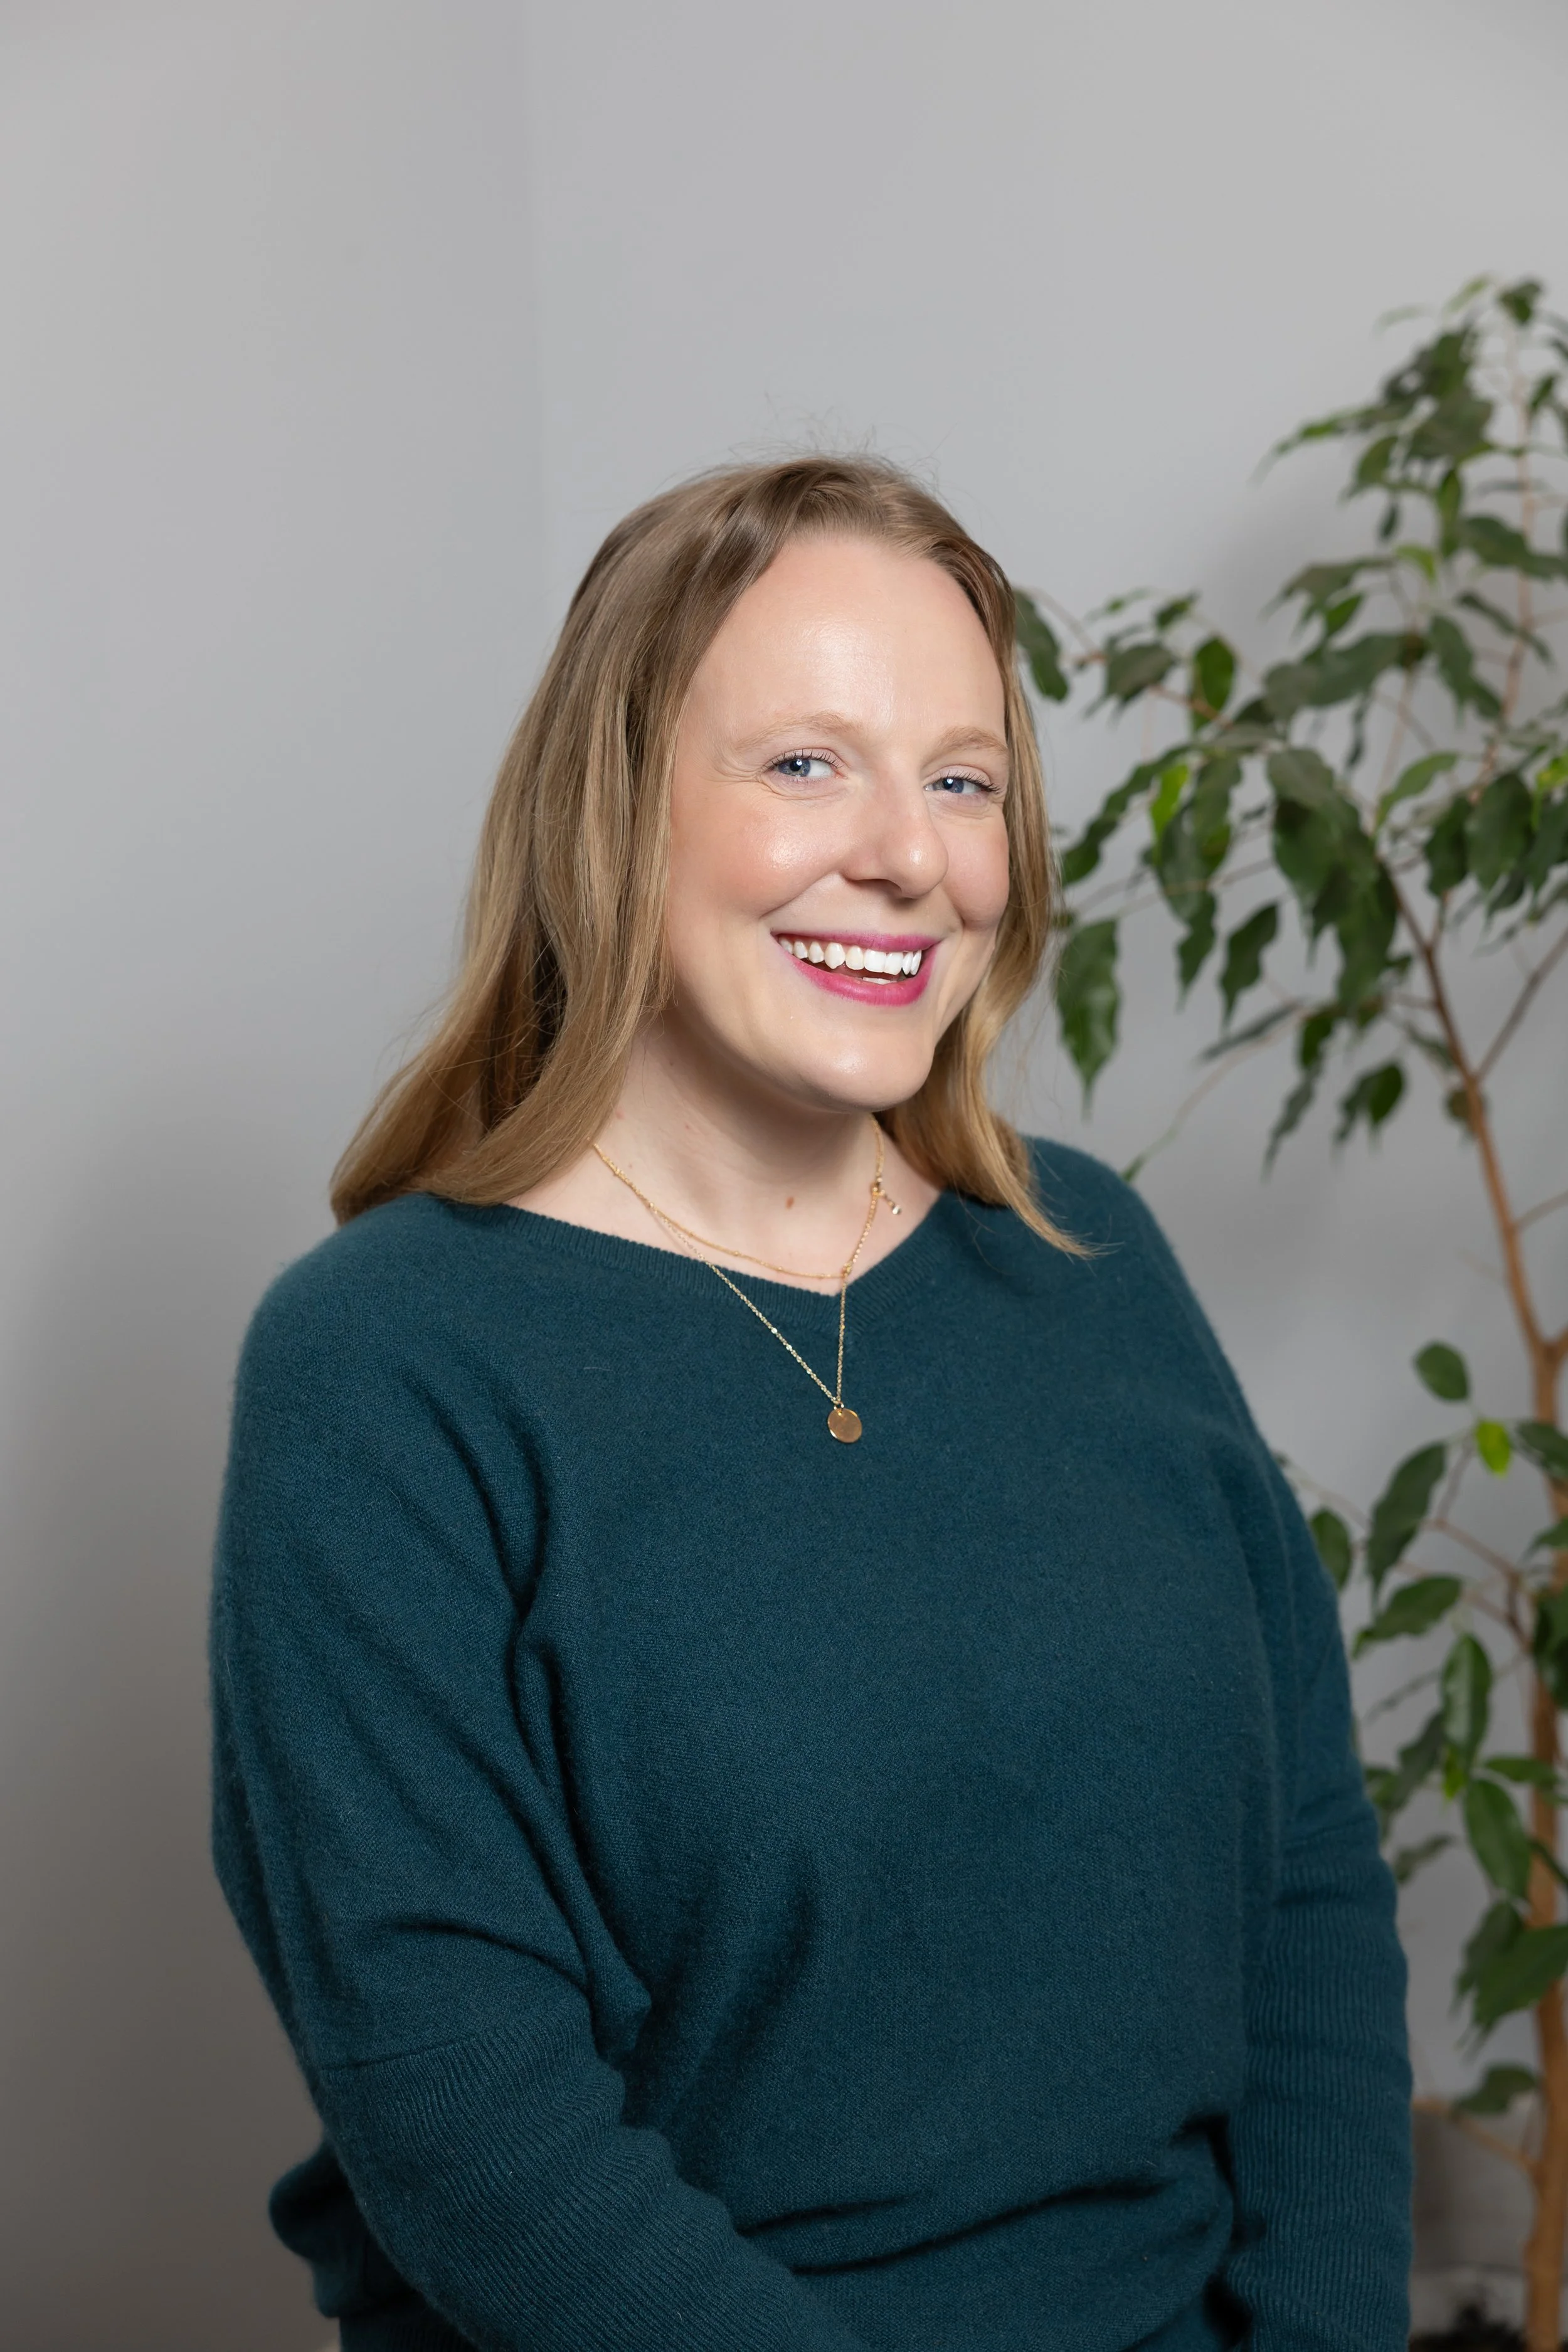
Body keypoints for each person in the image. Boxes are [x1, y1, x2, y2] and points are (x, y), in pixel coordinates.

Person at [209, 456, 1412, 2352]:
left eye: (964, 780)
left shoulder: (1092, 1250)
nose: (911, 856)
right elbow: (467, 2119)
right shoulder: (387, 1365)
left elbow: (1307, 1887)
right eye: (803, 764)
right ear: (619, 808)